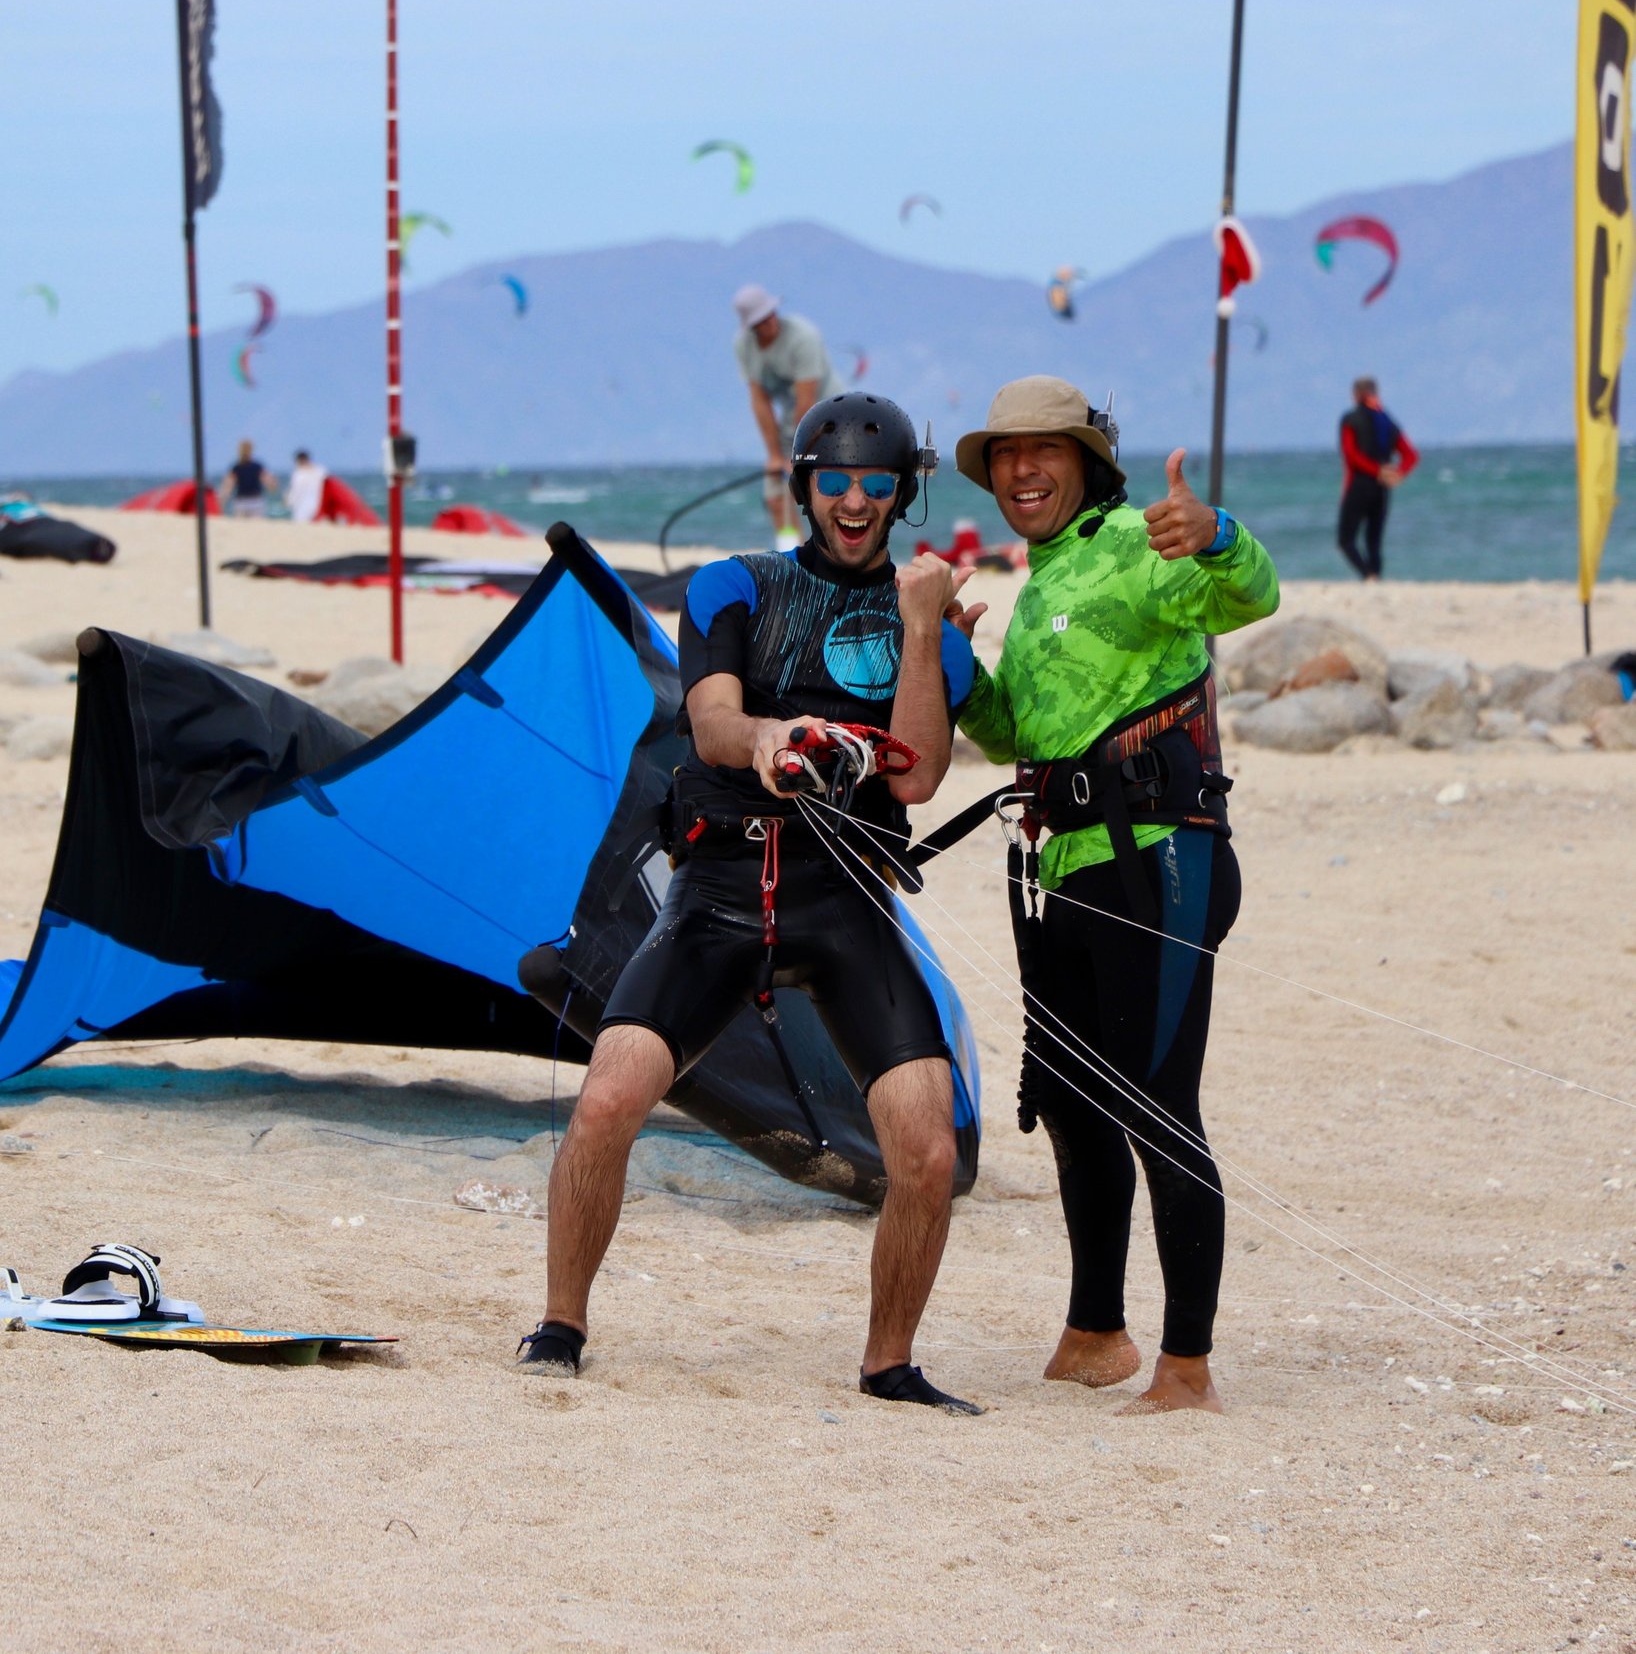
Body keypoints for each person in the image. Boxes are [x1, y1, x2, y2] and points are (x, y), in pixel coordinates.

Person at [516, 392, 986, 1415]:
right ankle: (561, 1321)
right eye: (834, 480)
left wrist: (918, 629)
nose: (853, 500)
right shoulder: (737, 584)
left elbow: (911, 780)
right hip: (721, 895)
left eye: (875, 484)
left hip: (845, 906)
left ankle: (888, 1361)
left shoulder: (934, 636)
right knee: (606, 1099)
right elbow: (713, 720)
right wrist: (774, 740)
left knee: (927, 1143)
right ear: (803, 485)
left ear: (902, 494)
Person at [950, 375, 1279, 1416]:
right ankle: (1095, 1332)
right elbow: (1006, 736)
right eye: (1003, 456)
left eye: (1040, 450)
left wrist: (1217, 530)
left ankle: (1186, 1365)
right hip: (1069, 871)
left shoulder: (1141, 543)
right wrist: (954, 660)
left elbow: (1248, 596)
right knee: (1077, 1108)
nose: (1019, 471)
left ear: (1088, 461)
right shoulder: (1042, 581)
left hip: (1160, 862)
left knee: (1154, 1104)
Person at [732, 284, 834, 542]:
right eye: (761, 321)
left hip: (828, 418)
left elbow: (807, 401)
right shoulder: (744, 346)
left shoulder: (803, 337)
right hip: (791, 423)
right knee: (776, 495)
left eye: (770, 314)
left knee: (826, 492)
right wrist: (775, 455)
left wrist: (797, 455)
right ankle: (791, 560)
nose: (769, 323)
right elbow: (759, 400)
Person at [1335, 376, 1417, 581]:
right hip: (1382, 487)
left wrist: (1375, 470)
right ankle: (1376, 578)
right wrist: (1398, 473)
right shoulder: (1387, 421)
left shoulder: (1350, 419)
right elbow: (1411, 455)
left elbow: (1351, 455)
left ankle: (1368, 576)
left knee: (1346, 540)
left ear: (1355, 395)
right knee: (1374, 541)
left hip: (1359, 485)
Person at [219, 440, 270, 517]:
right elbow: (268, 481)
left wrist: (222, 499)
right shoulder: (255, 466)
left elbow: (228, 485)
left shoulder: (237, 467)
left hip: (246, 501)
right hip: (251, 500)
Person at [284, 449, 326, 525]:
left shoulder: (299, 474)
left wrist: (288, 501)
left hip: (304, 507)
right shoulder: (320, 471)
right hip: (317, 506)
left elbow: (295, 491)